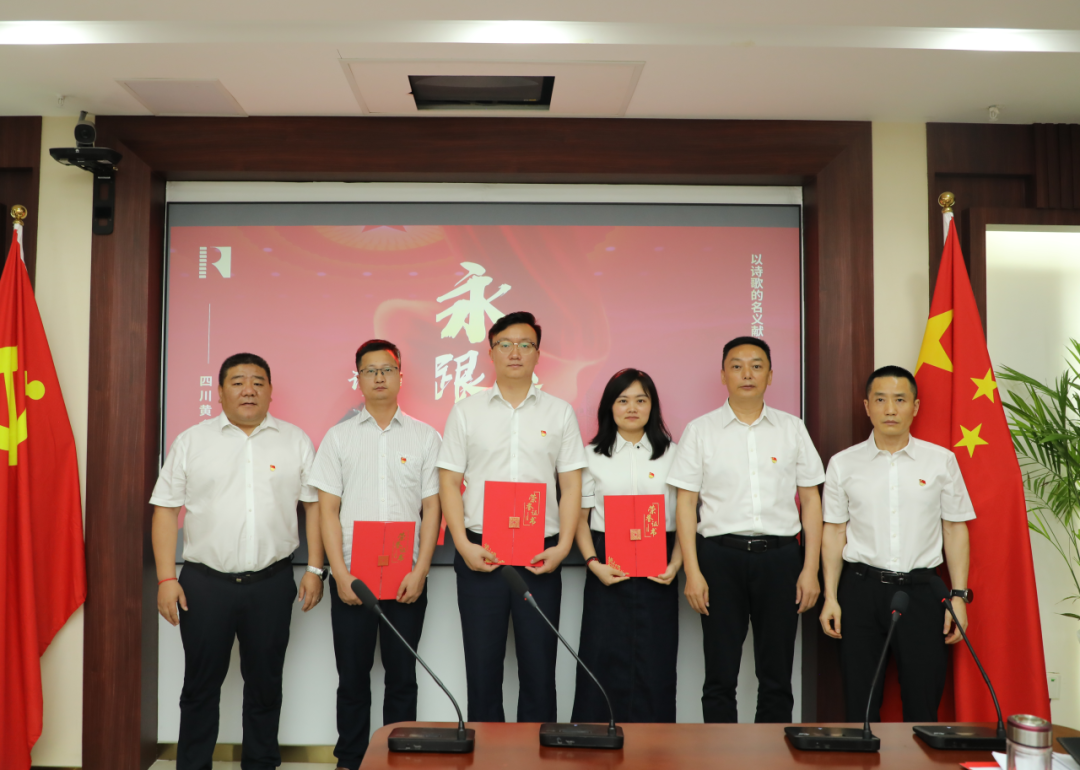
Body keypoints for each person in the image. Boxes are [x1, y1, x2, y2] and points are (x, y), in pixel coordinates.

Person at [151, 352, 325, 770]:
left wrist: (315, 569)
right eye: (238, 382)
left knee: (266, 686)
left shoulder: (295, 440)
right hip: (204, 585)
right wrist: (165, 579)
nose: (249, 390)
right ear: (220, 391)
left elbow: (315, 507)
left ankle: (261, 763)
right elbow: (165, 510)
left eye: (258, 382)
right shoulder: (192, 441)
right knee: (200, 686)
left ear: (270, 391)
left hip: (271, 583)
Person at [437, 310, 588, 722]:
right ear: (491, 353)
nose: (515, 352)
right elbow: (449, 482)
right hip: (479, 552)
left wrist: (563, 548)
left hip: (541, 556)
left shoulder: (559, 413)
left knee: (539, 669)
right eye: (505, 344)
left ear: (538, 353)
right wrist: (462, 545)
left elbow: (571, 484)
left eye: (525, 344)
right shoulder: (466, 411)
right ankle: (486, 752)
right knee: (482, 668)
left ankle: (538, 752)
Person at [669, 336, 825, 723]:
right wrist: (693, 572)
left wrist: (809, 569)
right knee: (719, 675)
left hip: (781, 558)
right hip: (719, 559)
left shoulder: (792, 429)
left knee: (777, 675)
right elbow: (685, 505)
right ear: (723, 375)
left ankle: (773, 752)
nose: (747, 374)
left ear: (770, 375)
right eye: (736, 366)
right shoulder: (700, 430)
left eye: (756, 366)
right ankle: (720, 753)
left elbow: (811, 502)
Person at [309, 340, 442, 770]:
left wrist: (421, 571)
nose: (379, 377)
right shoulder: (339, 438)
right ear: (359, 378)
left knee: (402, 678)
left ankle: (398, 760)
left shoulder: (425, 437)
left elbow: (433, 509)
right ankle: (351, 760)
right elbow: (327, 511)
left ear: (401, 375)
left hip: (407, 579)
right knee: (352, 679)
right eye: (370, 370)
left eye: (387, 369)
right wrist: (340, 574)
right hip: (353, 579)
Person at [819, 365, 973, 722]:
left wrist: (959, 597)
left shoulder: (941, 461)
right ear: (866, 406)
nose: (890, 409)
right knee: (860, 708)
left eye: (900, 400)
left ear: (915, 407)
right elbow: (834, 532)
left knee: (923, 706)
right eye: (881, 400)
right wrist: (831, 596)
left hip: (921, 593)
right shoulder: (843, 464)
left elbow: (955, 529)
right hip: (860, 592)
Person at [571, 368, 682, 724]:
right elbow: (579, 518)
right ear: (609, 407)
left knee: (655, 657)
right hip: (606, 562)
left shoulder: (674, 454)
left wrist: (676, 563)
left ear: (652, 406)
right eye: (622, 400)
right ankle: (596, 737)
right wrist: (593, 562)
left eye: (640, 400)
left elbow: (686, 515)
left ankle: (655, 743)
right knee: (602, 653)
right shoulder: (590, 456)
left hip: (659, 563)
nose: (632, 408)